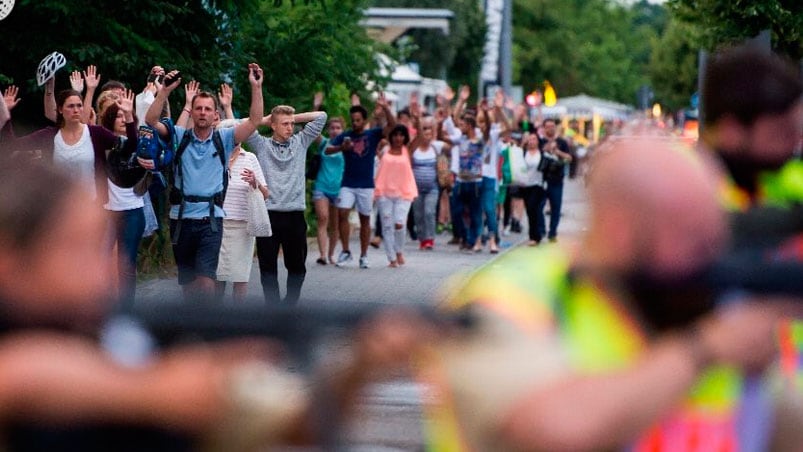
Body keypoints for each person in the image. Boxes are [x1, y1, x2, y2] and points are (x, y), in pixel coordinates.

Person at [0, 162, 433, 451]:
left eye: (100, 248)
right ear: (9, 257)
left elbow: (301, 424)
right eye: (75, 249)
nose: (101, 272)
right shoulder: (121, 364)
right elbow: (19, 376)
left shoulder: (129, 341)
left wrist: (361, 364)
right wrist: (150, 391)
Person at [419, 137, 803, 451]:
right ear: (621, 230)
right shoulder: (508, 297)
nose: (711, 259)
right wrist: (703, 349)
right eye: (692, 241)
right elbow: (552, 428)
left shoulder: (697, 305)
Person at [699, 45, 803, 397]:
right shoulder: (680, 197)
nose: (793, 145)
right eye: (781, 133)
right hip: (720, 403)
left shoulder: (789, 181)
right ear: (731, 130)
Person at [143, 65, 264, 300]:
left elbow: (255, 120)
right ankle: (194, 327)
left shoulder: (225, 139)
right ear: (193, 111)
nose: (202, 112)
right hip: (181, 218)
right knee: (188, 286)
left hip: (211, 219)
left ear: (214, 114)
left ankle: (207, 329)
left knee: (207, 280)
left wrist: (256, 87)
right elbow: (150, 120)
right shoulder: (179, 136)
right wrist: (164, 92)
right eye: (198, 108)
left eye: (208, 109)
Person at [246, 105, 327, 304]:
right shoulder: (262, 145)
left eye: (292, 124)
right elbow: (241, 126)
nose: (290, 127)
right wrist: (264, 120)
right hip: (269, 214)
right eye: (285, 124)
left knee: (298, 266)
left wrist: (291, 117)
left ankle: (290, 306)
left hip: (294, 214)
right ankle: (273, 309)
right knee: (268, 266)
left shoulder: (301, 142)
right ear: (273, 126)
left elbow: (321, 116)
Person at [327, 94, 396, 269]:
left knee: (365, 219)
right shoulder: (346, 135)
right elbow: (327, 150)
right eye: (353, 120)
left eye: (358, 120)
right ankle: (345, 251)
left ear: (364, 120)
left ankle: (364, 255)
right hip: (348, 183)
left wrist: (386, 108)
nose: (355, 123)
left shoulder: (372, 135)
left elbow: (393, 127)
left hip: (366, 184)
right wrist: (341, 147)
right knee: (342, 213)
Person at [374, 124, 418, 267]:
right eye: (395, 135)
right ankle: (392, 258)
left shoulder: (407, 150)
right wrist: (385, 110)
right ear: (391, 136)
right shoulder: (385, 150)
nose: (398, 138)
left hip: (403, 193)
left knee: (399, 223)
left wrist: (417, 120)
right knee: (387, 226)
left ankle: (399, 250)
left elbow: (420, 139)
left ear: (405, 137)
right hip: (384, 192)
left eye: (401, 135)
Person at [312, 115, 345, 265]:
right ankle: (323, 255)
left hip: (339, 189)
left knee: (335, 223)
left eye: (338, 128)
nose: (335, 131)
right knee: (323, 218)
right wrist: (316, 108)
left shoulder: (346, 146)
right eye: (332, 128)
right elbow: (313, 130)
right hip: (322, 186)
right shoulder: (324, 143)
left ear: (343, 130)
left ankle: (332, 254)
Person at [538, 118, 572, 242]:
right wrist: (545, 149)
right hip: (541, 179)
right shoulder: (540, 141)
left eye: (552, 126)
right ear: (544, 128)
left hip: (557, 179)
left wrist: (557, 152)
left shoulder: (561, 142)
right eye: (548, 126)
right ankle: (541, 229)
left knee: (555, 207)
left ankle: (552, 232)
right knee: (539, 206)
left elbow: (569, 158)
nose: (550, 128)